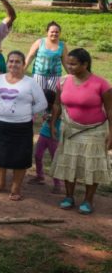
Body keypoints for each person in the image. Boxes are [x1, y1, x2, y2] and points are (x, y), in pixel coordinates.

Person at [51, 48, 112, 215]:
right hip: (69, 128)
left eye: (73, 64)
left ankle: (88, 200)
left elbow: (110, 109)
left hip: (94, 131)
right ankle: (69, 196)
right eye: (68, 63)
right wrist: (52, 123)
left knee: (91, 164)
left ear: (85, 64)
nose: (69, 67)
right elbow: (57, 104)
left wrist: (111, 133)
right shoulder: (63, 82)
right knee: (69, 162)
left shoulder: (101, 84)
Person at [0, 51, 47, 201]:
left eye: (17, 61)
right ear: (7, 63)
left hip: (21, 126)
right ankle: (0, 184)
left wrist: (26, 112)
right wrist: (1, 110)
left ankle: (16, 188)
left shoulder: (30, 82)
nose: (13, 64)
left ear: (24, 64)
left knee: (19, 157)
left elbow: (42, 103)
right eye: (11, 61)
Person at [25, 21, 67, 91]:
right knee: (38, 95)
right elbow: (30, 56)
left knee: (52, 97)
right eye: (52, 32)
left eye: (57, 32)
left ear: (60, 33)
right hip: (38, 75)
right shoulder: (39, 42)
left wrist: (74, 76)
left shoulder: (62, 45)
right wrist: (22, 71)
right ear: (47, 32)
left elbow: (66, 62)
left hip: (55, 76)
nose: (54, 34)